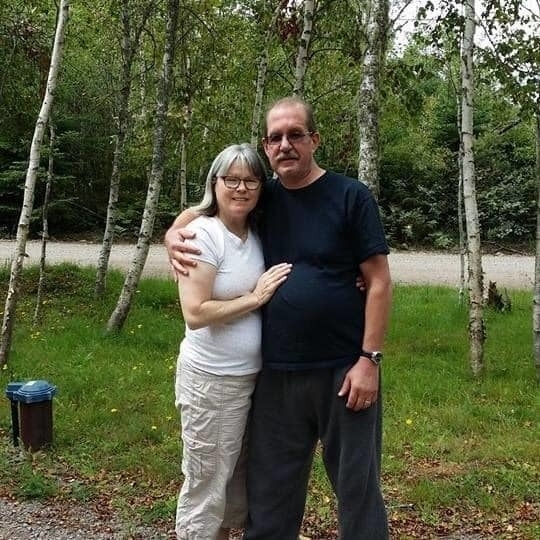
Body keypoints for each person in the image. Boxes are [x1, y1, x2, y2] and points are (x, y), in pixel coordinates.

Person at [166, 97, 392, 540]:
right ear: (266, 147)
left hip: (344, 370)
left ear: (314, 140)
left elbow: (379, 281)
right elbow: (209, 205)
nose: (285, 144)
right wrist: (173, 232)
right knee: (270, 495)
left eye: (295, 134)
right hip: (276, 374)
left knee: (357, 488)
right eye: (275, 138)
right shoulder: (262, 196)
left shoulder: (351, 196)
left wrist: (370, 359)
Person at [173, 143, 291, 540]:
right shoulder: (203, 235)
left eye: (251, 181)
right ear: (215, 182)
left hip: (250, 380)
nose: (241, 188)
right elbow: (195, 312)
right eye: (231, 180)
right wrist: (255, 299)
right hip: (212, 381)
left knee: (234, 486)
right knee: (207, 484)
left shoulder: (254, 231)